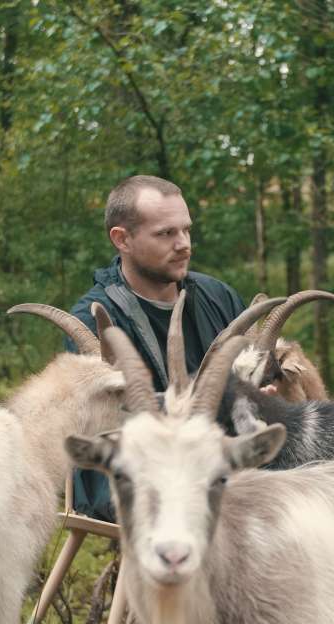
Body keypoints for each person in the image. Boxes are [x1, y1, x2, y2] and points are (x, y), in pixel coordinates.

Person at [67, 175, 246, 520]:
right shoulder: (95, 320)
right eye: (166, 233)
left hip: (215, 456)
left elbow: (249, 376)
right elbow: (107, 423)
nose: (184, 244)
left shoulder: (218, 297)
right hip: (133, 470)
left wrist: (262, 393)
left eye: (186, 230)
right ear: (122, 239)